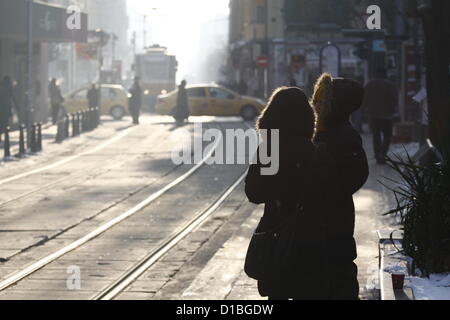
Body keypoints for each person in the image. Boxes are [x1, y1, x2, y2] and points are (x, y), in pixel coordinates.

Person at [245, 87, 334, 300]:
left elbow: (254, 193)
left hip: (277, 234)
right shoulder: (315, 151)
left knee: (278, 293)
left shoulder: (270, 149)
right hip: (310, 239)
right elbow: (327, 194)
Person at [310, 73, 369, 299]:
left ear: (335, 105)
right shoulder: (321, 131)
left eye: (322, 99)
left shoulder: (342, 135)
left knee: (338, 275)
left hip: (334, 221)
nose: (315, 103)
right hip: (325, 222)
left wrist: (327, 192)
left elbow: (356, 175)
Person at [362, 68, 398, 164]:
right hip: (387, 115)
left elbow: (364, 99)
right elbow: (394, 99)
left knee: (376, 135)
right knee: (387, 135)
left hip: (373, 114)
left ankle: (377, 154)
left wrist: (366, 109)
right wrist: (393, 108)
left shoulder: (369, 84)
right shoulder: (390, 85)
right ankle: (383, 153)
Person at [0, 76, 17, 142]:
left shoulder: (1, 86)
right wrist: (16, 106)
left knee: (1, 122)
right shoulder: (9, 87)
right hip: (6, 108)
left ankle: (1, 135)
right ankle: (6, 135)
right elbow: (13, 97)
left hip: (1, 107)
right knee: (6, 122)